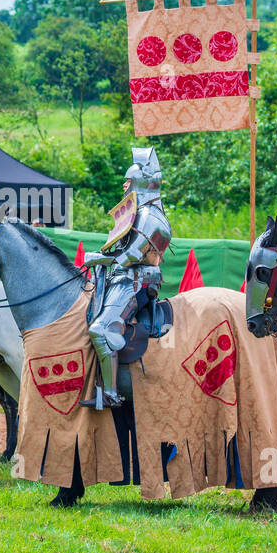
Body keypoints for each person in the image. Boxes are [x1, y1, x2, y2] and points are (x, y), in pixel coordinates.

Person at [81, 147, 172, 409]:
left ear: (141, 182)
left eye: (128, 181)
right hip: (123, 277)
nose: (124, 184)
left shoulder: (149, 216)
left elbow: (132, 256)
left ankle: (110, 393)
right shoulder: (139, 213)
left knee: (100, 330)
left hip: (135, 280)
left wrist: (99, 259)